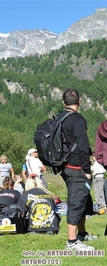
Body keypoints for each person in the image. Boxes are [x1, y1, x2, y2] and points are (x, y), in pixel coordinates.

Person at [60, 88, 96, 251]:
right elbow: (82, 147)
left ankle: (81, 233)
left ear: (63, 103)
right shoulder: (77, 120)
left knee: (82, 200)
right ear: (79, 101)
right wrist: (87, 169)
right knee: (76, 202)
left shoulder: (60, 119)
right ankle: (72, 241)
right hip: (77, 168)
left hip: (66, 166)